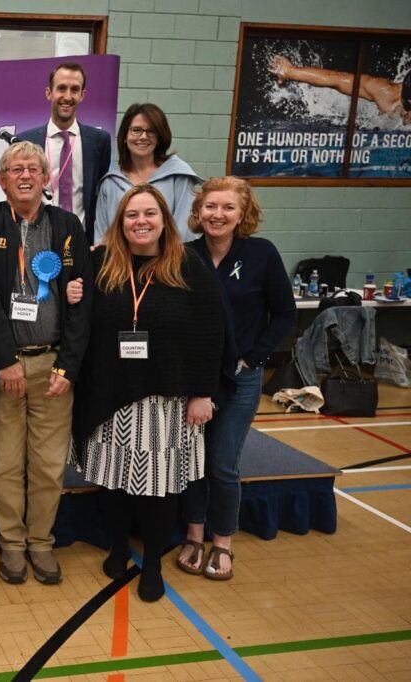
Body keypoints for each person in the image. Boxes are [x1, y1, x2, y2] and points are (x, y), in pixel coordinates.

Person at [71, 184, 224, 602]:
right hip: (111, 395)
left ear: (163, 220)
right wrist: (72, 292)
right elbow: (79, 315)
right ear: (120, 223)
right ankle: (119, 545)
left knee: (158, 487)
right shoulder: (102, 262)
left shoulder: (188, 265)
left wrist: (202, 393)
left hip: (167, 400)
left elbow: (212, 334)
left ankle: (153, 561)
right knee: (115, 483)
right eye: (132, 215)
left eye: (149, 214)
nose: (141, 222)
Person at [0, 141, 93, 586]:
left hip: (54, 366)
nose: (24, 175)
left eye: (33, 168)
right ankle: (13, 545)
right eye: (15, 169)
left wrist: (69, 366)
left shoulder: (68, 224)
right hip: (7, 369)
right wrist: (5, 360)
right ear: (1, 180)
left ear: (46, 179)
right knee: (3, 463)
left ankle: (41, 543)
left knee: (48, 464)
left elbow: (80, 301)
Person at [178, 176, 297, 581]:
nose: (218, 214)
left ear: (243, 213)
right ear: (198, 212)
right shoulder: (184, 255)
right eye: (210, 207)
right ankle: (193, 535)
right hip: (194, 380)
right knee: (192, 461)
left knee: (223, 464)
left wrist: (253, 357)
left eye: (228, 207)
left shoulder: (261, 254)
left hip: (241, 379)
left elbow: (284, 313)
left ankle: (223, 541)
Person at [19, 62, 113, 245]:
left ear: (82, 95)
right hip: (36, 238)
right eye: (61, 88)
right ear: (49, 92)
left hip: (82, 240)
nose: (67, 96)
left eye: (74, 89)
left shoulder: (99, 141)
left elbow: (98, 194)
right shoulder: (25, 142)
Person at [94, 103, 202, 244]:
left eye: (151, 131)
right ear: (125, 136)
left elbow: (184, 234)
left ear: (159, 138)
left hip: (167, 263)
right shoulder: (111, 182)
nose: (143, 136)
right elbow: (103, 236)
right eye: (136, 130)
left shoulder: (179, 176)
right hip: (120, 264)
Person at [270, 55, 411, 124]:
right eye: (407, 106)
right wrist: (290, 71)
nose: (406, 113)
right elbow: (337, 79)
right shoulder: (386, 92)